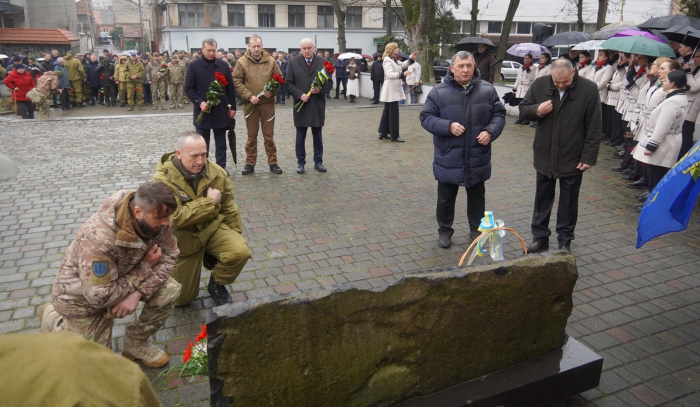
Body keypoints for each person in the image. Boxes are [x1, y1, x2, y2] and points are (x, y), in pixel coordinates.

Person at [40, 181, 181, 368]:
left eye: (168, 217)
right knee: (95, 365)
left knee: (169, 291)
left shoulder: (157, 217)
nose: (166, 222)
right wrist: (145, 266)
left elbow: (171, 255)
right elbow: (99, 297)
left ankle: (135, 344)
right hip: (82, 300)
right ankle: (54, 319)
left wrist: (137, 293)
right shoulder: (100, 239)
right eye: (161, 218)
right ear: (138, 212)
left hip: (121, 284)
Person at [152, 132, 251, 306]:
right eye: (194, 156)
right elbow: (174, 217)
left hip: (211, 228)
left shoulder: (216, 172)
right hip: (183, 239)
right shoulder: (162, 181)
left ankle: (217, 284)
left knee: (239, 252)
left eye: (204, 154)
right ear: (179, 154)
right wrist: (209, 202)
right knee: (182, 300)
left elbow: (228, 207)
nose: (200, 161)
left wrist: (234, 236)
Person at [419, 51, 506, 248]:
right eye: (461, 66)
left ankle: (476, 229)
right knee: (446, 199)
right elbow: (426, 118)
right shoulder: (438, 92)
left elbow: (499, 115)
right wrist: (447, 126)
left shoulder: (487, 90)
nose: (465, 70)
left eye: (469, 65)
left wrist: (490, 131)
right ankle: (445, 231)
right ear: (452, 68)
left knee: (477, 197)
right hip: (449, 157)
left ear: (474, 67)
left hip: (477, 155)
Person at [519, 59, 602, 253]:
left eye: (565, 82)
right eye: (556, 82)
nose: (560, 85)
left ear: (574, 72)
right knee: (542, 198)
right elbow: (524, 108)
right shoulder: (540, 84)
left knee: (569, 201)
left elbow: (595, 126)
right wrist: (537, 110)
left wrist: (588, 157)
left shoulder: (588, 89)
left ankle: (565, 240)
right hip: (545, 154)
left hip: (572, 156)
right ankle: (540, 238)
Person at [0, 332, 161, 407]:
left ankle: (135, 343)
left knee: (90, 365)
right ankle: (57, 321)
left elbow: (166, 263)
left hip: (116, 292)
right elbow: (97, 294)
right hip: (85, 302)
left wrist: (136, 290)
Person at [632, 70, 688, 211]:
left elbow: (663, 126)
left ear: (673, 83)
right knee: (657, 174)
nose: (662, 82)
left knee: (658, 176)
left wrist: (651, 146)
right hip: (669, 140)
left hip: (664, 142)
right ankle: (653, 202)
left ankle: (655, 206)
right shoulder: (679, 97)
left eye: (665, 81)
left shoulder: (673, 101)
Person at [233, 34, 283, 176]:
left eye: (258, 46)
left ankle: (273, 162)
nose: (256, 49)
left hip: (267, 105)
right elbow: (236, 81)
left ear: (262, 46)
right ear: (249, 47)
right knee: (251, 136)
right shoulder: (242, 62)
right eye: (253, 46)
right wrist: (249, 96)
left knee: (269, 136)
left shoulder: (271, 61)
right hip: (251, 105)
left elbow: (279, 79)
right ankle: (250, 163)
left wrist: (272, 91)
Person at [185, 38, 237, 169]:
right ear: (202, 49)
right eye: (208, 50)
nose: (211, 53)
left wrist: (232, 107)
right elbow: (188, 88)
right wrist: (199, 102)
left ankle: (221, 168)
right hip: (203, 111)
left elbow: (230, 88)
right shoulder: (193, 66)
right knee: (203, 144)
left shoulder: (223, 65)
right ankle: (203, 168)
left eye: (214, 50)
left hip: (220, 111)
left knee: (221, 143)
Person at [285, 37, 334, 174]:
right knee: (300, 135)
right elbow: (288, 83)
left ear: (314, 48)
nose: (307, 51)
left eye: (309, 48)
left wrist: (321, 90)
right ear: (300, 49)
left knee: (317, 135)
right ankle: (301, 162)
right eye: (304, 48)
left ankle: (318, 162)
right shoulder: (293, 62)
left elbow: (329, 83)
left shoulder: (322, 62)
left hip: (317, 104)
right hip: (301, 103)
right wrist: (300, 94)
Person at [377, 44, 418, 142]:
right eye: (396, 48)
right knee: (393, 112)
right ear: (391, 50)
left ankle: (383, 132)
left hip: (392, 88)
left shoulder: (392, 59)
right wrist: (403, 74)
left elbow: (403, 64)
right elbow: (389, 74)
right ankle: (394, 135)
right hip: (391, 88)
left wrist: (411, 58)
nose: (398, 49)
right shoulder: (387, 60)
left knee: (387, 111)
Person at [680, 50, 700, 159]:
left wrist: (687, 72)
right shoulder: (695, 68)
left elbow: (694, 87)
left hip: (692, 108)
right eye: (695, 56)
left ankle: (684, 160)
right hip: (685, 104)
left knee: (686, 137)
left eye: (698, 57)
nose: (695, 59)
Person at [513, 53, 537, 125]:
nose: (525, 60)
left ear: (531, 59)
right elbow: (518, 78)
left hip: (527, 88)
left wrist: (528, 71)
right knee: (520, 104)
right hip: (520, 88)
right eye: (524, 58)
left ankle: (526, 119)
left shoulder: (534, 68)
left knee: (526, 104)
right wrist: (515, 87)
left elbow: (532, 78)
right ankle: (520, 118)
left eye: (527, 58)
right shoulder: (521, 67)